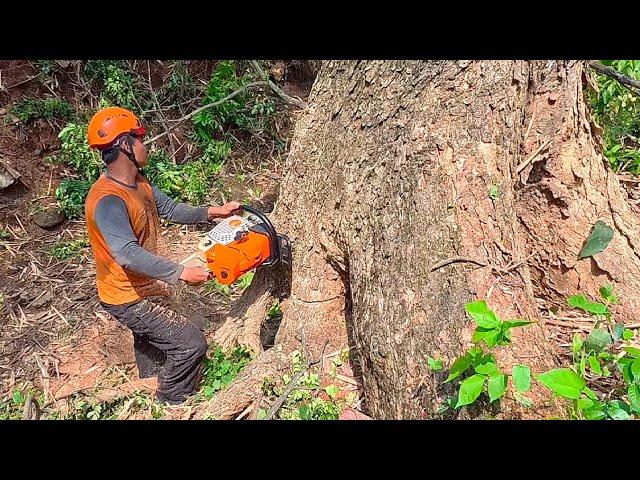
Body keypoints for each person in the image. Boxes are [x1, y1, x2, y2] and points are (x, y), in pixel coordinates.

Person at [84, 106, 241, 405]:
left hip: (141, 287)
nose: (146, 145)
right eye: (140, 138)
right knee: (191, 343)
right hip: (125, 296)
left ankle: (148, 386)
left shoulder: (138, 184)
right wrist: (180, 273)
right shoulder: (108, 201)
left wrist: (213, 212)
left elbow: (171, 209)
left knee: (152, 341)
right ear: (124, 145)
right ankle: (171, 399)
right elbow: (127, 254)